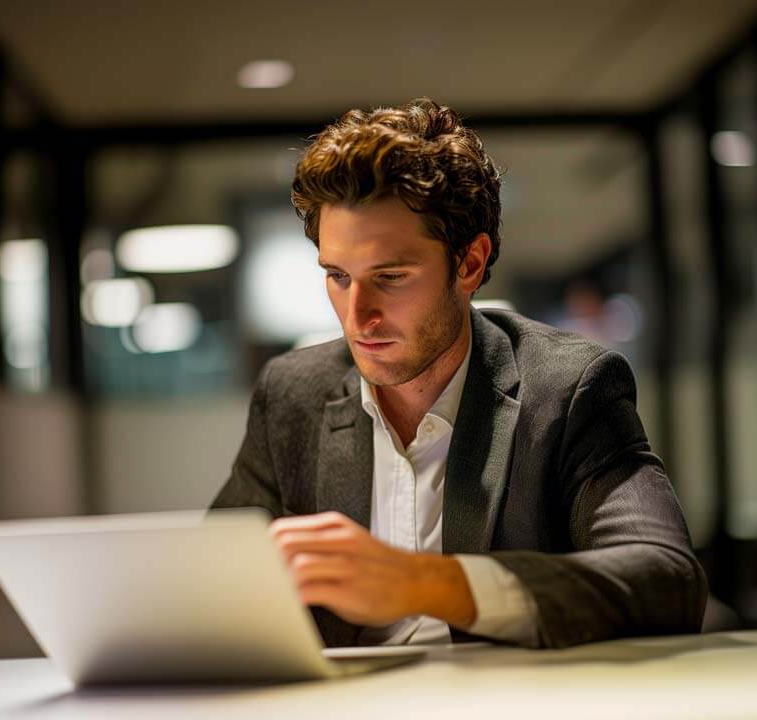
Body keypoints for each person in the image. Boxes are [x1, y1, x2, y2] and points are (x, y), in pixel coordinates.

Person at [211, 98, 706, 649]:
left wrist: (421, 583)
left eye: (391, 276)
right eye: (338, 277)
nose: (357, 316)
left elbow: (667, 582)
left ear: (469, 264)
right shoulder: (292, 395)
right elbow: (212, 586)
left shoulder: (566, 388)